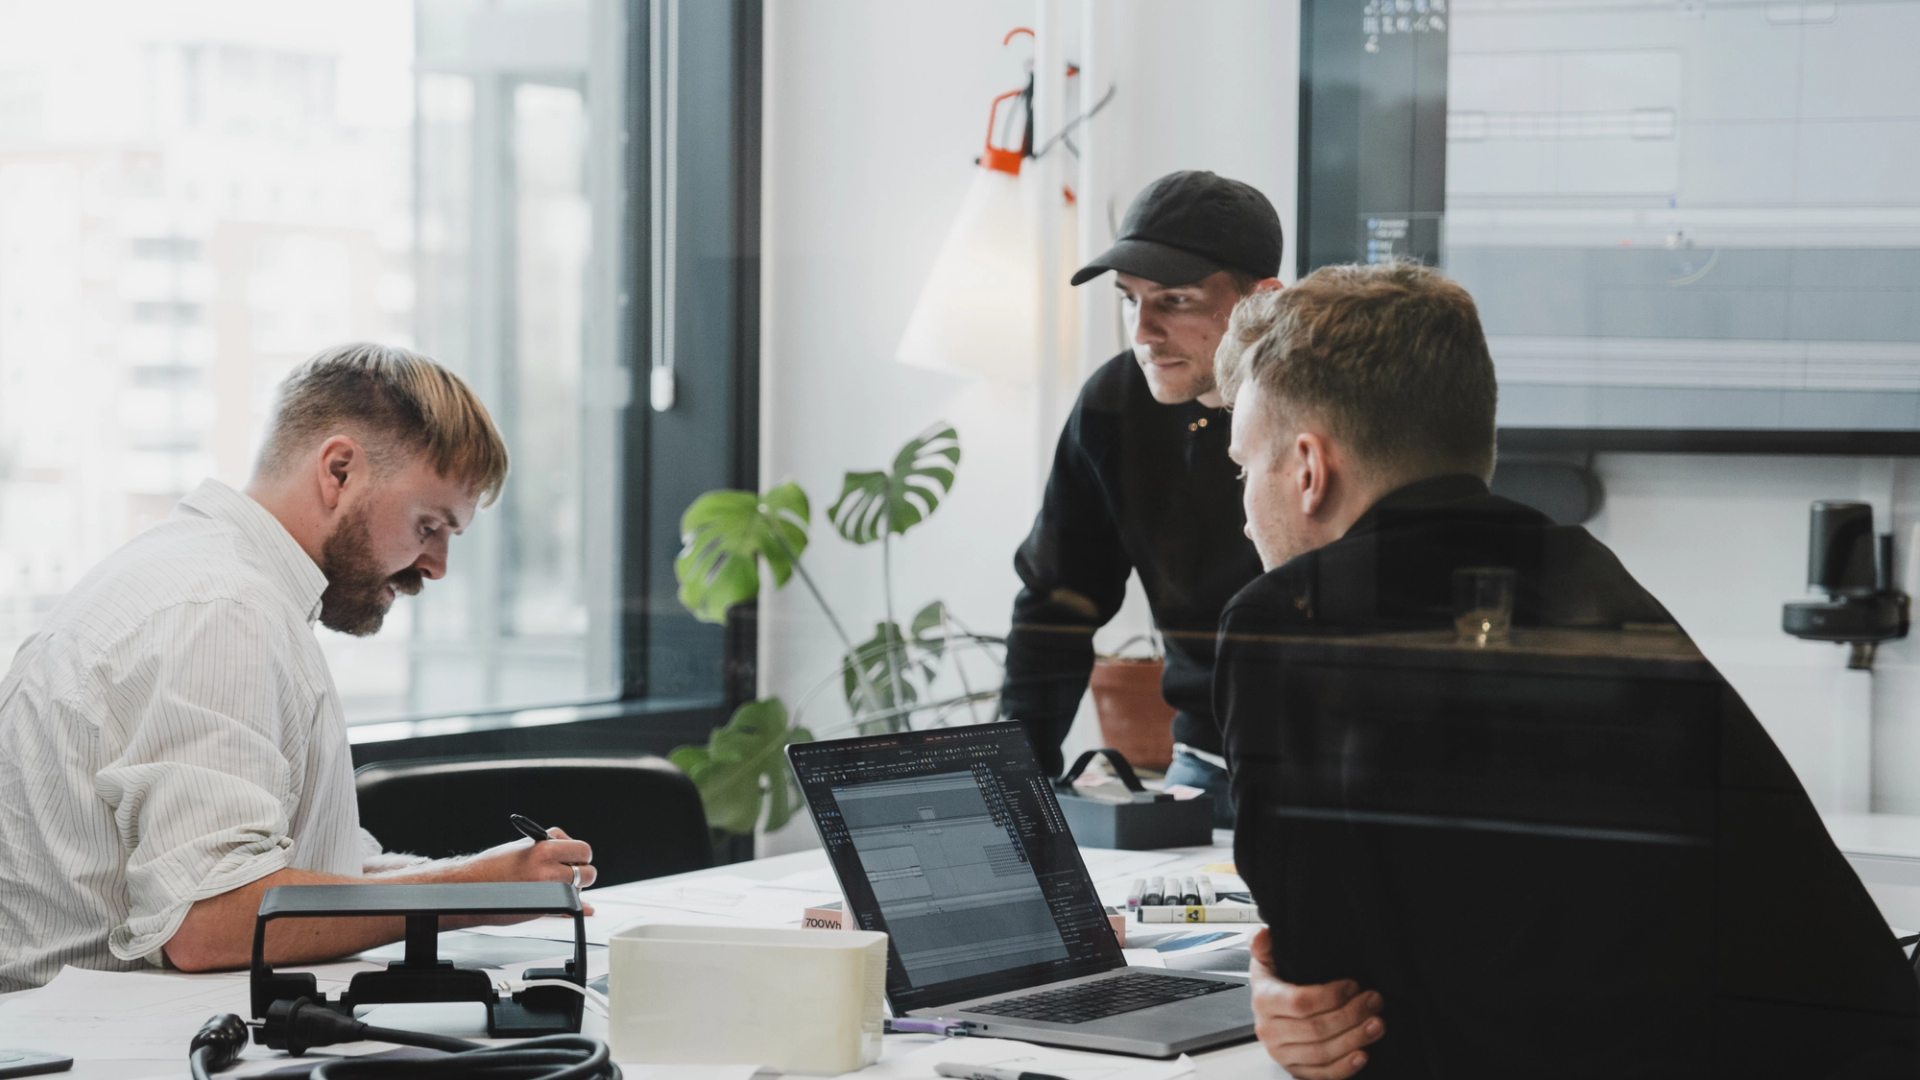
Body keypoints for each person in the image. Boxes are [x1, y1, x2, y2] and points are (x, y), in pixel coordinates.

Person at [1212, 262, 1920, 1077]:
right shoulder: (1581, 571)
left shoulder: (1293, 617)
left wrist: (1279, 991)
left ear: (1308, 468)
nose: (1241, 507)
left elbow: (1330, 992)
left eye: (1244, 468)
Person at [0, 343, 597, 992]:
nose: (437, 566)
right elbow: (209, 919)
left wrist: (496, 878)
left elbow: (304, 873)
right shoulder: (222, 611)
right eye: (429, 526)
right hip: (101, 1049)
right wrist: (475, 891)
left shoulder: (210, 580)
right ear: (339, 471)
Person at [1000, 170, 1277, 821]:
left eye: (1174, 301)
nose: (1143, 331)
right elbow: (1055, 605)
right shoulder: (1113, 402)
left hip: (1325, 778)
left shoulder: (1326, 411)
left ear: (1263, 300)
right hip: (1203, 768)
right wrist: (1012, 794)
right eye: (1130, 300)